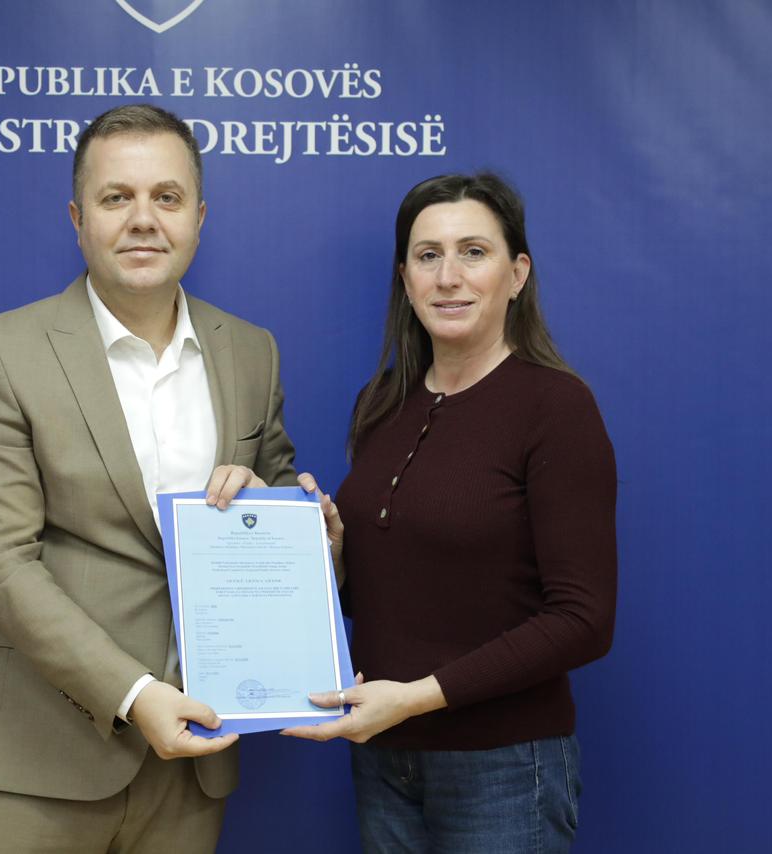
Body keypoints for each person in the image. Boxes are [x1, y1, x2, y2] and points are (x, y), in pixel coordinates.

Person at [0, 103, 297, 853]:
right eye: (116, 198)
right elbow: (0, 563)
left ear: (199, 217)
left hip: (193, 765)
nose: (143, 219)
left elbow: (271, 513)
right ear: (78, 219)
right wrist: (135, 696)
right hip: (35, 758)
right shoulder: (1, 351)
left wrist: (311, 535)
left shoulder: (251, 352)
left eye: (166, 197)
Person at [284, 173, 617, 853]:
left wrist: (414, 697)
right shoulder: (382, 402)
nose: (448, 277)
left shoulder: (556, 409)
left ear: (517, 274)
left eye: (474, 252)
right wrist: (336, 557)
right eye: (428, 255)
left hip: (504, 769)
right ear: (405, 279)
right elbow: (389, 597)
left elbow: (584, 620)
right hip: (384, 759)